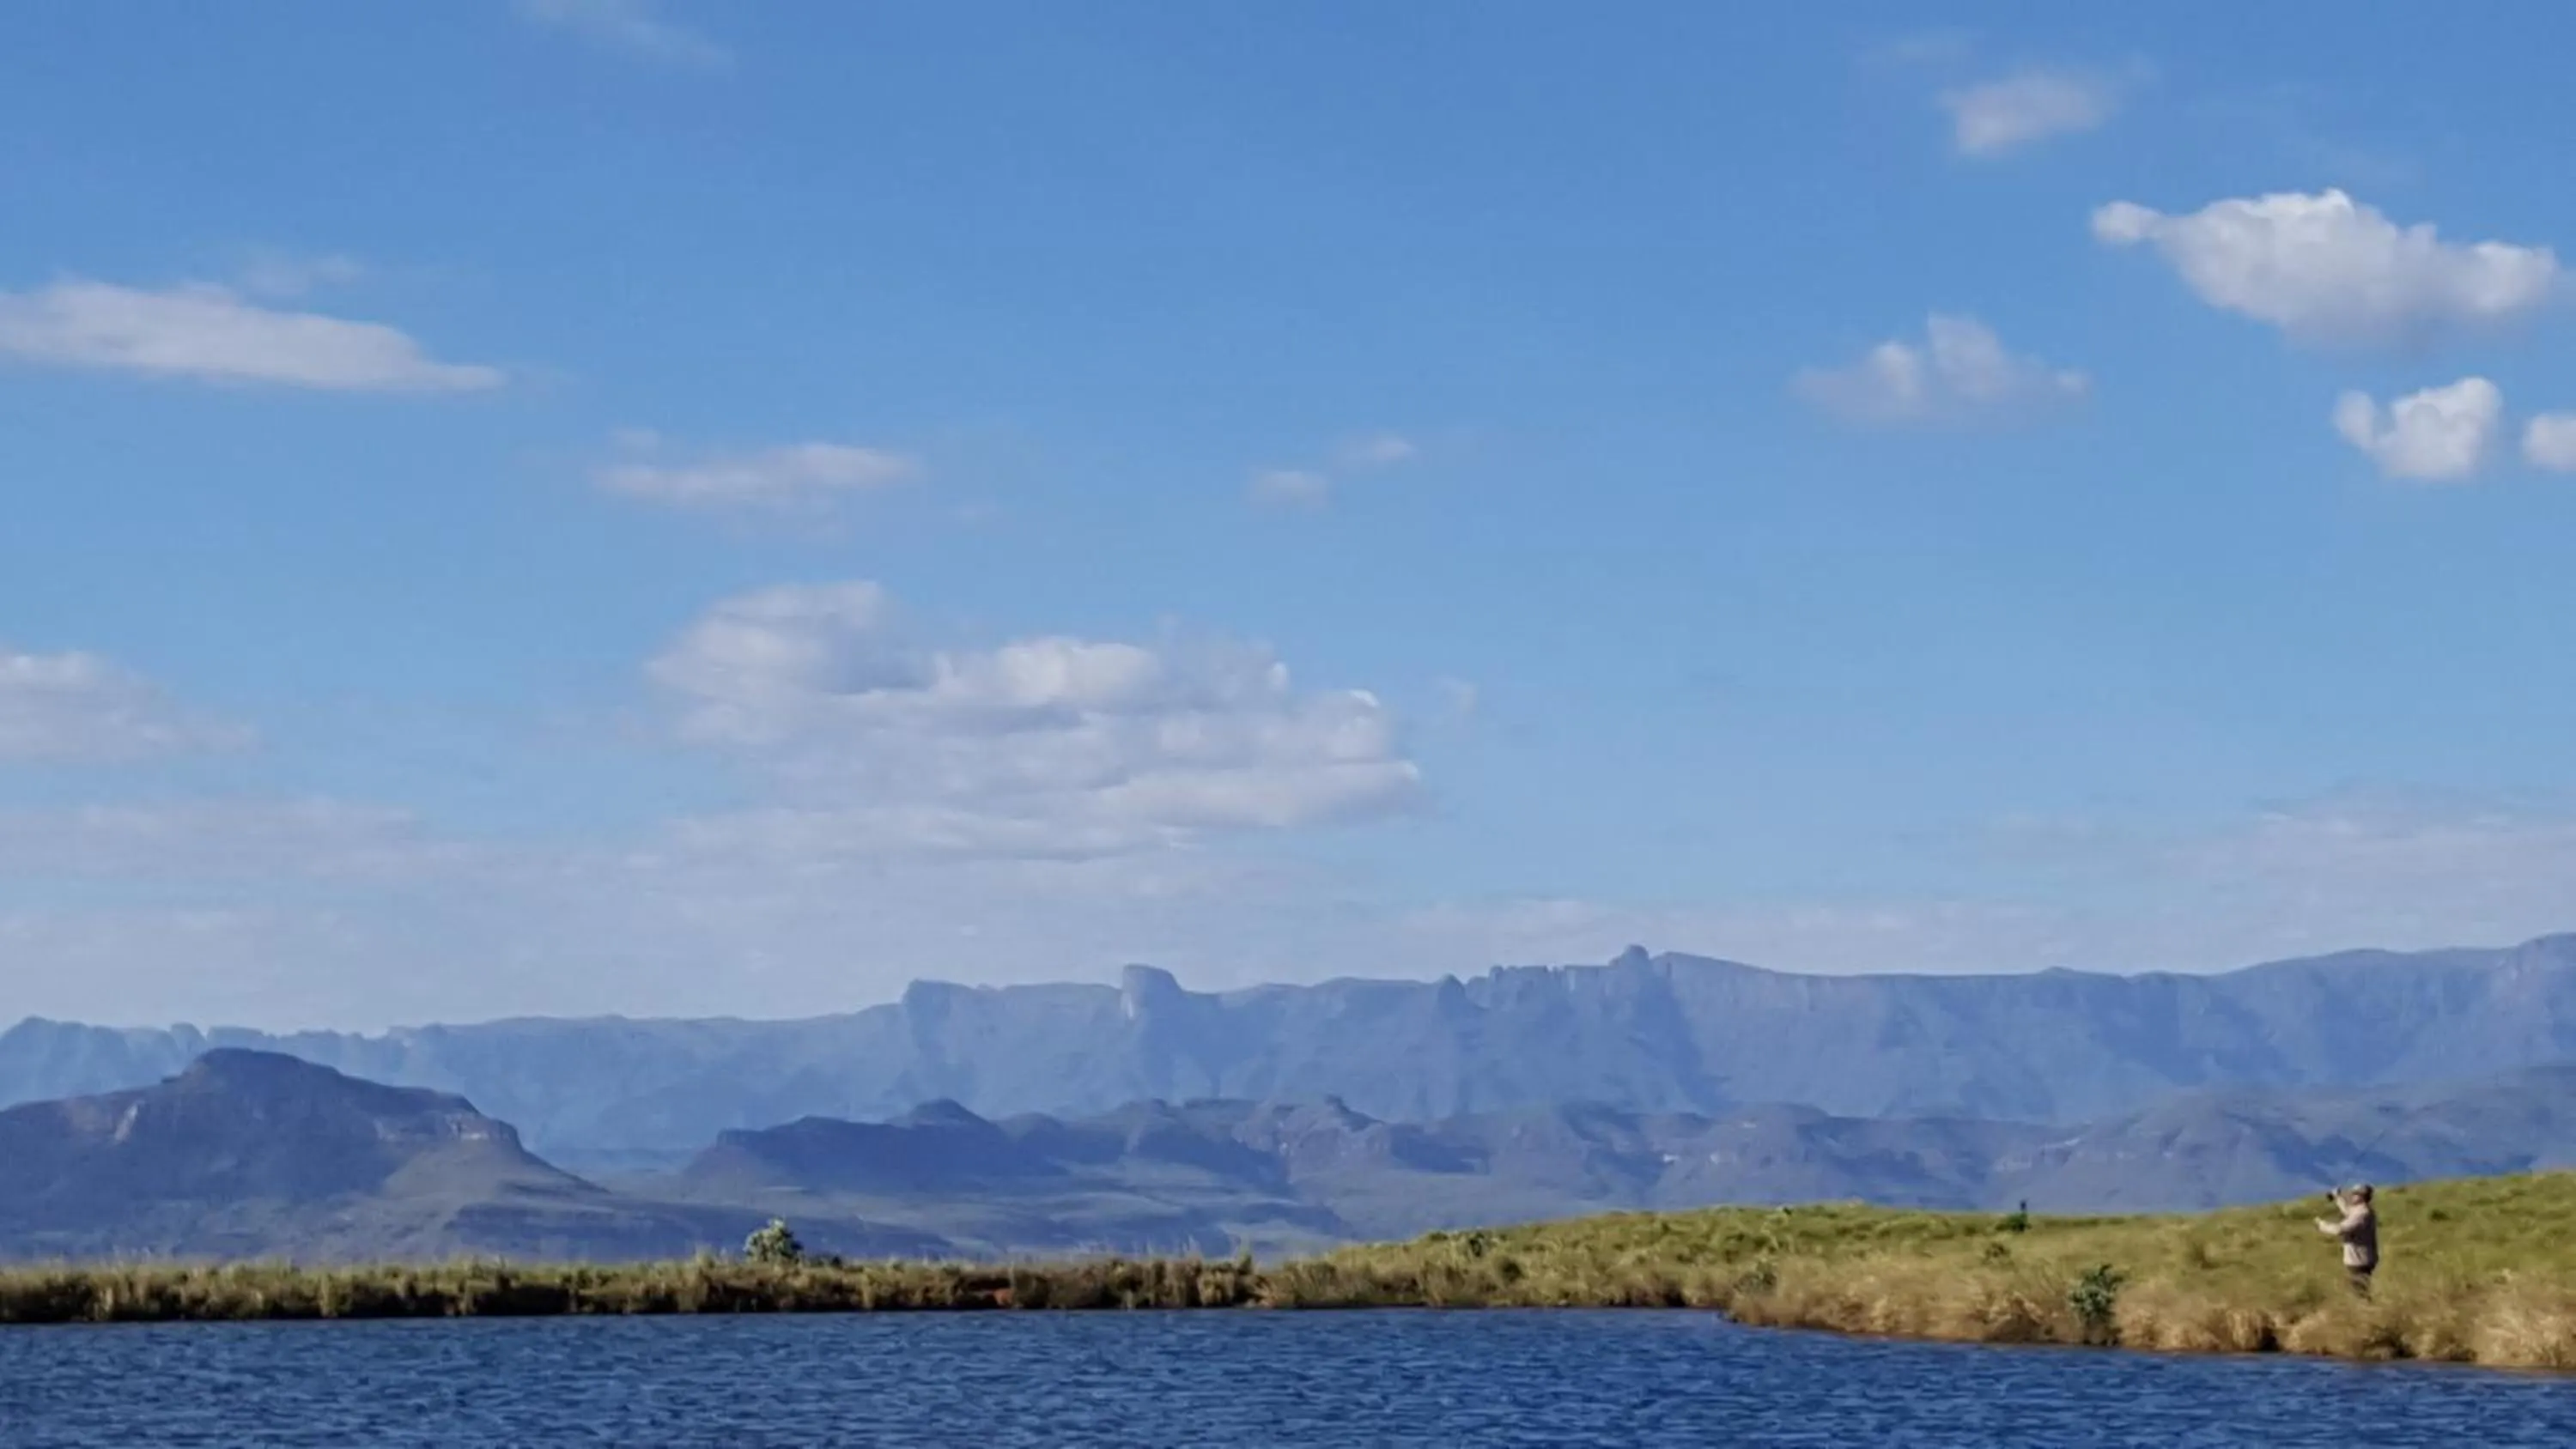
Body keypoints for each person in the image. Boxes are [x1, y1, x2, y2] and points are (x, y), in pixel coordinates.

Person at [2315, 1184, 2379, 1297]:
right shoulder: (2362, 1211)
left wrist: (2322, 1225)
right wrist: (2338, 1198)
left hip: (2359, 1260)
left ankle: (2365, 1308)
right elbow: (2349, 1212)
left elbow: (2339, 1230)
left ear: (2362, 1197)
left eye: (2355, 1194)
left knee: (2359, 1294)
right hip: (2361, 1258)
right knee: (2360, 1291)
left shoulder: (2362, 1214)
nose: (2352, 1196)